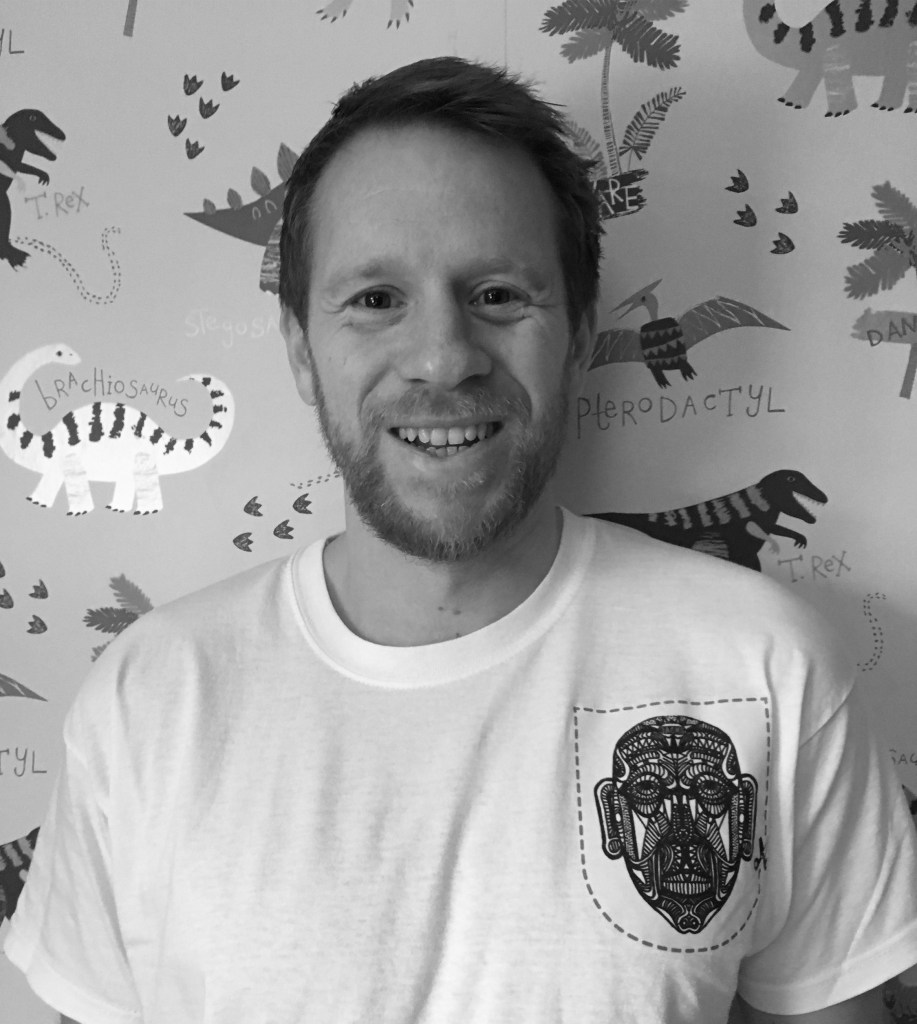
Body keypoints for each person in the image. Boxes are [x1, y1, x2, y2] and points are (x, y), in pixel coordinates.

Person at [5, 56, 917, 1024]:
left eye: (496, 294)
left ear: (576, 337)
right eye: (374, 299)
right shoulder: (150, 696)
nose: (442, 358)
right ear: (300, 349)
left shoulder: (766, 667)